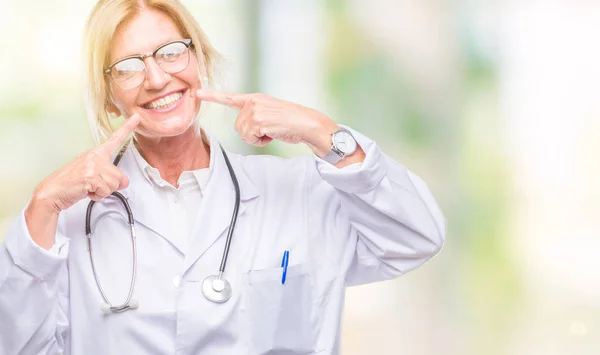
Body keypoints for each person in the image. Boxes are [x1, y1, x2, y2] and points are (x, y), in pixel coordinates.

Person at [0, 0, 446, 354]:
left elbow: (415, 236)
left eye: (171, 52)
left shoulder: (301, 190)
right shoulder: (69, 223)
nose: (156, 77)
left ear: (200, 59)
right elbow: (19, 346)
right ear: (110, 97)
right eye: (129, 67)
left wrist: (320, 130)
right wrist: (42, 205)